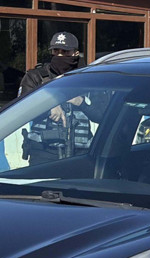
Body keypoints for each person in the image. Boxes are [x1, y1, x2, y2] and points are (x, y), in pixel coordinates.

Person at [17, 32, 105, 164]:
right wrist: (48, 107)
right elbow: (21, 111)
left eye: (65, 52)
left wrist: (81, 102)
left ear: (75, 53)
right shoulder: (35, 77)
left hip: (80, 154)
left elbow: (103, 115)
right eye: (56, 51)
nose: (59, 55)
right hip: (43, 152)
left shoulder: (90, 79)